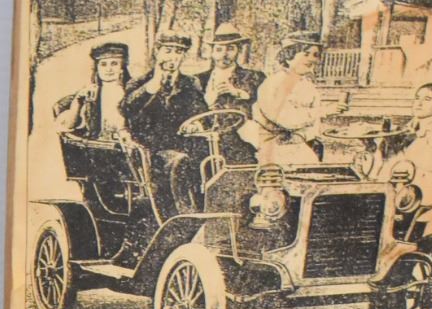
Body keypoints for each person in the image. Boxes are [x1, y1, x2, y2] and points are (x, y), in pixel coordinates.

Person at [124, 33, 208, 215]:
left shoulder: (190, 83)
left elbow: (201, 113)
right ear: (157, 52)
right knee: (178, 160)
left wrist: (197, 124)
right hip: (150, 151)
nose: (173, 57)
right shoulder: (139, 83)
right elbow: (128, 110)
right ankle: (185, 213)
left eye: (178, 52)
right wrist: (153, 85)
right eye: (168, 51)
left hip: (186, 146)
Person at [242, 32, 342, 168]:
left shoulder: (307, 85)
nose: (312, 59)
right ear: (289, 57)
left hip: (298, 144)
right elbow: (285, 119)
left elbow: (313, 125)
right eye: (306, 54)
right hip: (272, 146)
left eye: (315, 55)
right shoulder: (275, 83)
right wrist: (322, 111)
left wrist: (304, 136)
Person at [199, 22, 265, 166]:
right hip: (206, 137)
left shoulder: (253, 77)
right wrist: (209, 100)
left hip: (241, 136)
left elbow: (262, 101)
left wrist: (238, 93)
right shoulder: (198, 80)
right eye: (219, 49)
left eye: (230, 49)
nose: (224, 54)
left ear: (238, 50)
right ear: (212, 52)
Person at [54, 42, 134, 141]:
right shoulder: (91, 93)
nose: (109, 69)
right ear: (97, 68)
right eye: (103, 64)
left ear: (122, 68)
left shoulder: (132, 92)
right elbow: (66, 127)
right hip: (96, 145)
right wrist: (78, 102)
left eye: (114, 64)